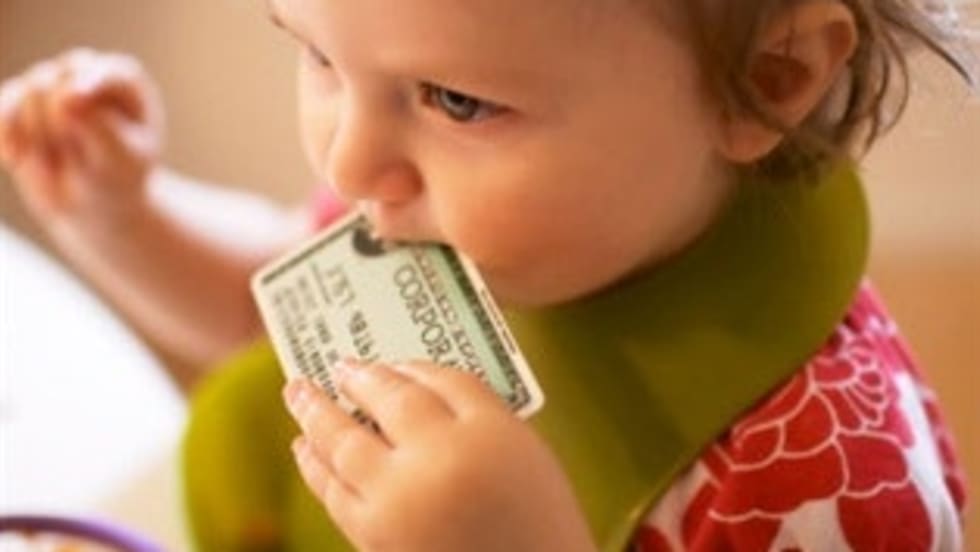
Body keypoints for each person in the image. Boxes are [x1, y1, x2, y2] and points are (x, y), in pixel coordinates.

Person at [0, 0, 971, 549]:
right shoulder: (437, 201)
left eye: (456, 101)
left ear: (772, 76)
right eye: (316, 55)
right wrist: (120, 214)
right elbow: (265, 304)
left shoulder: (828, 488)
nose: (348, 162)